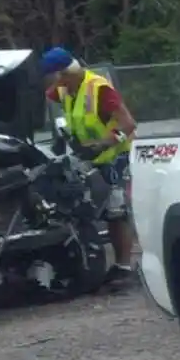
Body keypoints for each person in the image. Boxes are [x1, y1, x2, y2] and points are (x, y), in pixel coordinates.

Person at [41, 46, 138, 274]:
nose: (54, 85)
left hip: (114, 156)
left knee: (116, 211)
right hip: (90, 157)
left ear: (64, 73)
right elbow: (45, 96)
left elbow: (128, 123)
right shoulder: (64, 89)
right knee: (93, 208)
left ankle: (124, 267)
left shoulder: (99, 90)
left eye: (55, 78)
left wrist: (103, 144)